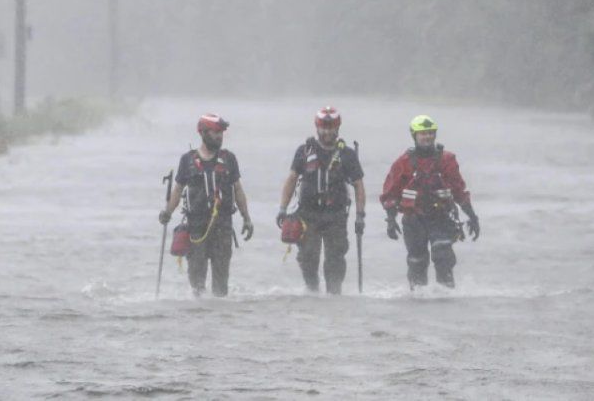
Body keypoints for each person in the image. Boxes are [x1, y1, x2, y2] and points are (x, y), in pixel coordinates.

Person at [159, 113, 255, 297]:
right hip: (196, 230)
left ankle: (219, 318)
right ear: (203, 133)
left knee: (221, 287)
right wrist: (167, 213)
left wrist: (247, 219)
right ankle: (199, 319)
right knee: (197, 286)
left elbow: (238, 190)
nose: (219, 136)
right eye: (215, 132)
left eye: (221, 132)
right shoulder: (187, 160)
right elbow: (178, 190)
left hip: (223, 228)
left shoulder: (229, 159)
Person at [380, 115, 479, 288]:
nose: (427, 137)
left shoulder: (447, 160)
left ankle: (446, 298)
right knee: (417, 262)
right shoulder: (403, 163)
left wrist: (472, 216)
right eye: (422, 134)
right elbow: (390, 194)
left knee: (443, 256)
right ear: (414, 136)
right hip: (414, 219)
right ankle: (418, 301)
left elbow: (459, 190)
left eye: (430, 133)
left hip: (441, 217)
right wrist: (390, 219)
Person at [276, 106, 366, 294]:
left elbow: (358, 185)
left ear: (337, 128)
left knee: (335, 258)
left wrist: (360, 215)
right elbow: (291, 179)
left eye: (331, 127)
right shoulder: (304, 151)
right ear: (317, 128)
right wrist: (282, 209)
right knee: (308, 257)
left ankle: (334, 295)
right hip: (308, 215)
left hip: (336, 216)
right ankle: (312, 292)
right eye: (323, 127)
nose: (327, 131)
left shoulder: (347, 155)